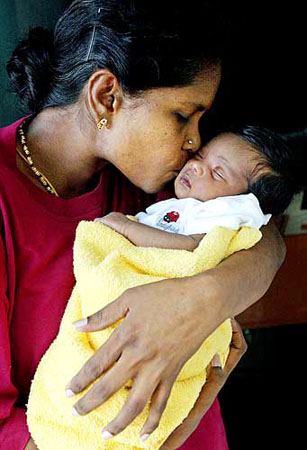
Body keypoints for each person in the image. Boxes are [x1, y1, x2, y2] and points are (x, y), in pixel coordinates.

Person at [0, 1, 287, 449]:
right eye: (182, 116)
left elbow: (264, 237)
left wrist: (203, 300)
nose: (195, 141)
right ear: (106, 97)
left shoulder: (151, 176)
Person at [96, 124, 305, 248]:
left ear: (240, 203)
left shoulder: (217, 218)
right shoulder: (180, 202)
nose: (195, 166)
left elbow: (189, 247)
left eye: (217, 172)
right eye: (200, 155)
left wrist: (127, 227)